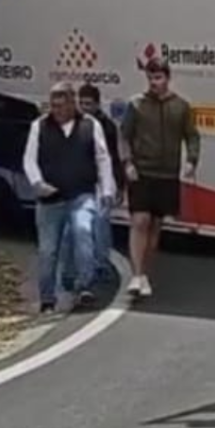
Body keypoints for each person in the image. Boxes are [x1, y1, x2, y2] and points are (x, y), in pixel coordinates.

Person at [23, 82, 116, 313]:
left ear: (72, 104)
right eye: (53, 106)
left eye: (61, 106)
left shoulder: (90, 125)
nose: (57, 111)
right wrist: (37, 183)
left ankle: (85, 286)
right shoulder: (39, 126)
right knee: (48, 251)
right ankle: (47, 298)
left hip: (81, 194)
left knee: (82, 231)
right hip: (50, 199)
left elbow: (102, 158)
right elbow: (29, 159)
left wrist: (107, 189)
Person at [119, 58, 199, 298]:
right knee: (140, 220)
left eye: (158, 78)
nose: (154, 83)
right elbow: (124, 136)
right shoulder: (136, 104)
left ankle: (144, 273)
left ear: (167, 78)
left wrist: (191, 160)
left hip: (167, 174)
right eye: (150, 78)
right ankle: (136, 275)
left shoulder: (181, 107)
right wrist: (127, 162)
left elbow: (192, 136)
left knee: (155, 227)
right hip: (142, 172)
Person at [58, 84, 123, 288]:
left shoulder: (107, 127)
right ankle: (70, 271)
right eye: (82, 103)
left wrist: (118, 185)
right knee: (72, 228)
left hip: (101, 181)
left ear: (97, 104)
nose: (85, 107)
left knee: (100, 225)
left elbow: (112, 157)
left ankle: (101, 265)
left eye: (89, 104)